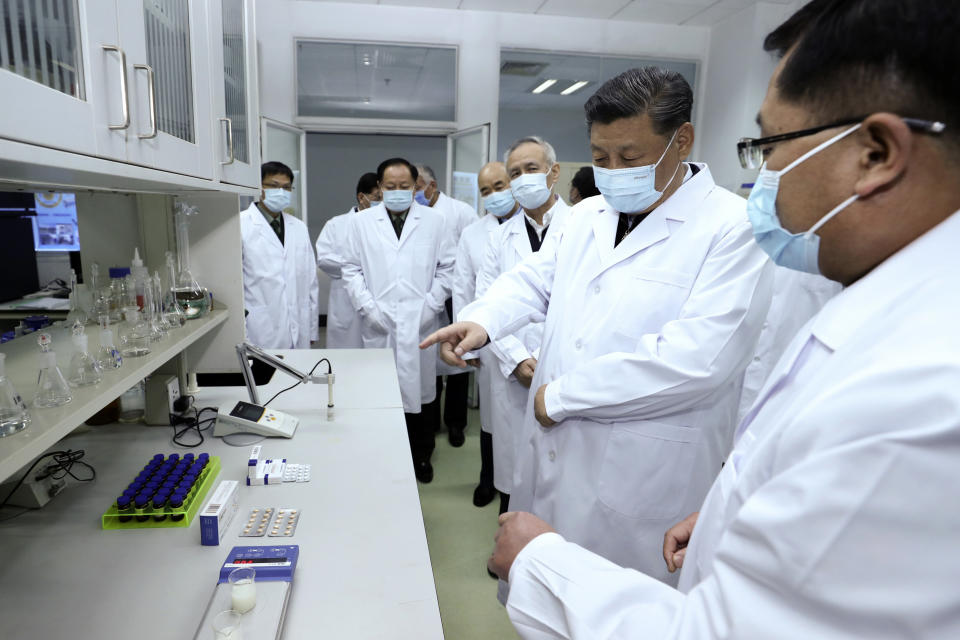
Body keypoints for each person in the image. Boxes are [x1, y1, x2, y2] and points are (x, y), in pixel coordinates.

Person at [486, 1, 960, 637]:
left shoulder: (923, 387)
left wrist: (543, 565)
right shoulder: (891, 307)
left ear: (875, 153)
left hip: (635, 483)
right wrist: (725, 506)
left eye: (772, 147)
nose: (763, 181)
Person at [423, 67, 774, 589]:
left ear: (682, 141)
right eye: (600, 157)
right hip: (556, 461)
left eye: (629, 157)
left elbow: (697, 359)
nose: (612, 172)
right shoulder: (589, 215)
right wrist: (482, 320)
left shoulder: (732, 227)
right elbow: (534, 280)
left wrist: (559, 397)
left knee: (619, 608)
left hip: (646, 473)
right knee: (541, 594)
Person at [475, 136, 570, 519]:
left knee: (561, 468)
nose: (522, 178)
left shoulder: (583, 227)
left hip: (563, 367)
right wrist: (514, 357)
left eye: (531, 169)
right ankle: (509, 539)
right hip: (513, 369)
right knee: (514, 468)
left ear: (554, 172)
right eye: (515, 173)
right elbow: (485, 302)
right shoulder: (498, 238)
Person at [343, 158, 454, 483]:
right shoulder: (362, 223)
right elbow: (351, 269)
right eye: (390, 187)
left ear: (415, 186)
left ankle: (422, 457)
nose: (397, 192)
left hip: (421, 321)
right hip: (379, 322)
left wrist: (431, 306)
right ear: (379, 188)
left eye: (404, 186)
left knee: (422, 395)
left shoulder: (435, 221)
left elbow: (447, 268)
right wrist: (368, 308)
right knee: (382, 394)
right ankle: (384, 457)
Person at [455, 161, 521, 508]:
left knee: (528, 422)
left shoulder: (536, 227)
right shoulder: (473, 233)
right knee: (494, 417)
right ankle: (488, 479)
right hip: (490, 341)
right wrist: (469, 345)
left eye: (500, 185)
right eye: (485, 190)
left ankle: (522, 489)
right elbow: (463, 288)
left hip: (533, 340)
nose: (494, 194)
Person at [416, 163, 478, 446]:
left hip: (456, 295)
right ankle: (431, 421)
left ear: (432, 185)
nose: (413, 193)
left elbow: (476, 250)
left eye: (417, 187)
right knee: (429, 360)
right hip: (426, 294)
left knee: (457, 361)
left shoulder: (460, 211)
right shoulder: (415, 214)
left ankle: (456, 423)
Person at [240, 161, 319, 349]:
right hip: (259, 329)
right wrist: (240, 331)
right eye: (274, 186)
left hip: (298, 327)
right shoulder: (240, 225)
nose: (281, 192)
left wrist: (312, 328)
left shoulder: (299, 227)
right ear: (259, 187)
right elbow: (236, 286)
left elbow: (310, 282)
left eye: (286, 187)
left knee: (299, 376)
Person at [315, 172, 382, 349]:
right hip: (347, 303)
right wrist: (359, 264)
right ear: (362, 197)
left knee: (379, 363)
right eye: (377, 197)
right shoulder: (336, 224)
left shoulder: (386, 226)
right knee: (347, 362)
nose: (382, 202)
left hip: (379, 304)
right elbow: (324, 259)